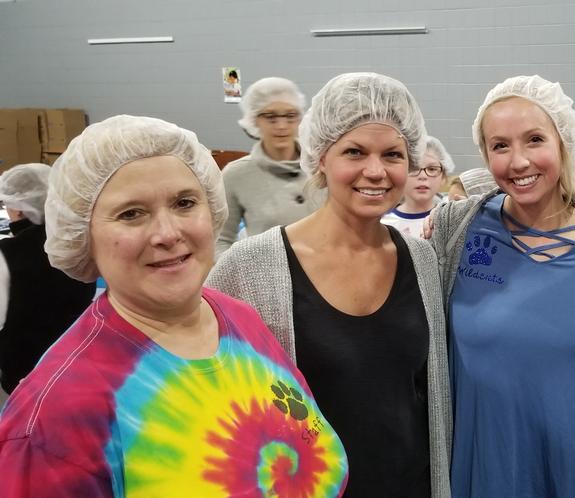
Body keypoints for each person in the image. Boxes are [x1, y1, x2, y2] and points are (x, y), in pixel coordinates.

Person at [0, 115, 348, 496]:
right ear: (84, 234)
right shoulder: (57, 418)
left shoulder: (238, 319)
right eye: (131, 213)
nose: (168, 233)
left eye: (184, 203)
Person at [208, 73, 451, 498]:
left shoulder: (423, 261)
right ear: (321, 156)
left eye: (392, 154)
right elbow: (215, 408)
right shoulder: (248, 270)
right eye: (354, 152)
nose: (375, 171)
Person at [430, 75, 575, 498]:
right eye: (500, 146)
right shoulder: (456, 228)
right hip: (480, 473)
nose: (518, 162)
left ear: (564, 143)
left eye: (535, 139)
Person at [0, 163, 95, 395]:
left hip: (24, 373)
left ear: (19, 209)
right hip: (77, 362)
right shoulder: (81, 243)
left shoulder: (8, 253)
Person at [217, 76, 319, 257]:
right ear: (254, 119)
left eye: (290, 116)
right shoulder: (236, 175)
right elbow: (221, 239)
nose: (281, 126)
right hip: (266, 277)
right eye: (270, 117)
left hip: (324, 273)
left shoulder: (320, 166)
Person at [381, 135, 455, 237]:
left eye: (432, 169)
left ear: (443, 177)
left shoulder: (450, 218)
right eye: (414, 169)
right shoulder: (383, 223)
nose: (423, 176)